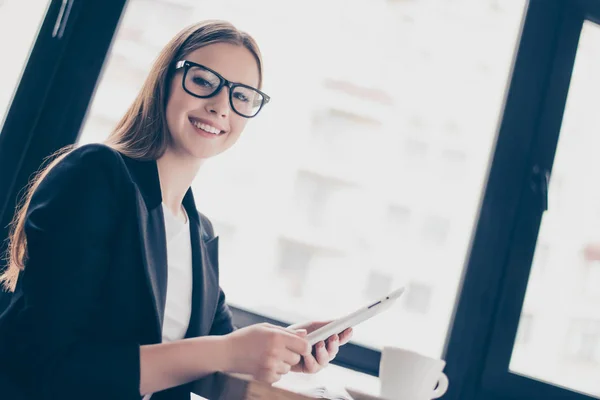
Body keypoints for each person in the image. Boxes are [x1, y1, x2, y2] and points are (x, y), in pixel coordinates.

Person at [0, 20, 352, 400]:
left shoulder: (197, 230)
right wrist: (226, 351)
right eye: (203, 81)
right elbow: (40, 362)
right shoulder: (96, 174)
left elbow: (213, 351)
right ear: (165, 80)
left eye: (242, 96)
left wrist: (285, 347)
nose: (220, 106)